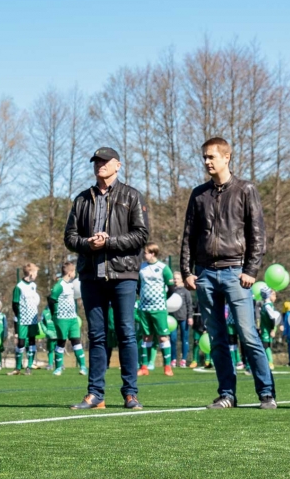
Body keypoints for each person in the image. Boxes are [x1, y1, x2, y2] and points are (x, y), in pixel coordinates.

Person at [180, 137, 276, 409]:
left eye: (211, 156)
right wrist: (186, 271)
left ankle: (266, 393)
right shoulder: (198, 194)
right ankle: (227, 395)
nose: (207, 162)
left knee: (248, 335)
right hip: (205, 275)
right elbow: (188, 236)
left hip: (237, 273)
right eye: (204, 158)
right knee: (217, 339)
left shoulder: (246, 190)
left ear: (227, 157)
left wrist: (251, 270)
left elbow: (258, 235)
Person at [64, 146, 148, 410]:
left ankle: (130, 394)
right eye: (96, 161)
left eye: (104, 161)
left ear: (118, 165)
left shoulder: (132, 196)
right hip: (91, 276)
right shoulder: (81, 199)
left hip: (123, 274)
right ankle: (95, 394)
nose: (99, 165)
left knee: (126, 333)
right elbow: (70, 237)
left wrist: (109, 242)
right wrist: (89, 244)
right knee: (97, 336)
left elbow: (141, 235)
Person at [138, 244, 176, 377]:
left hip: (159, 308)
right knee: (146, 336)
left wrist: (160, 299)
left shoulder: (164, 268)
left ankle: (167, 367)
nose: (144, 254)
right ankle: (143, 367)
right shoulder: (141, 267)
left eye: (146, 252)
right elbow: (138, 286)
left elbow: (171, 288)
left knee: (162, 337)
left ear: (153, 253)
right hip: (143, 308)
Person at [49, 261, 86, 377]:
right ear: (70, 273)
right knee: (61, 342)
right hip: (61, 319)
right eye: (74, 271)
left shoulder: (71, 284)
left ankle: (83, 367)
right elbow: (51, 299)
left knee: (77, 342)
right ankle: (58, 368)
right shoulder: (59, 285)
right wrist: (54, 313)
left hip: (73, 318)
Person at [10, 263, 40, 376]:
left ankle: (29, 366)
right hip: (22, 319)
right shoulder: (19, 287)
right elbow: (15, 303)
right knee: (21, 343)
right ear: (31, 273)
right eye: (36, 272)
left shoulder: (33, 285)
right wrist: (19, 315)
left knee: (32, 341)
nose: (36, 275)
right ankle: (18, 367)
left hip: (33, 319)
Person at [170, 273, 193, 368]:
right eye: (174, 278)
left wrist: (190, 317)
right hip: (172, 319)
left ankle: (183, 360)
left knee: (185, 339)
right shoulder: (171, 290)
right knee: (173, 339)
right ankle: (173, 360)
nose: (175, 280)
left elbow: (189, 304)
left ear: (181, 280)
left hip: (184, 318)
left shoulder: (185, 291)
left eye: (177, 278)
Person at [259, 286, 280, 371]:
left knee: (265, 345)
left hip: (268, 329)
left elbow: (272, 318)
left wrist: (272, 329)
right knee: (265, 346)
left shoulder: (268, 306)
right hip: (264, 329)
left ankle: (270, 362)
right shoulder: (265, 305)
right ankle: (268, 362)